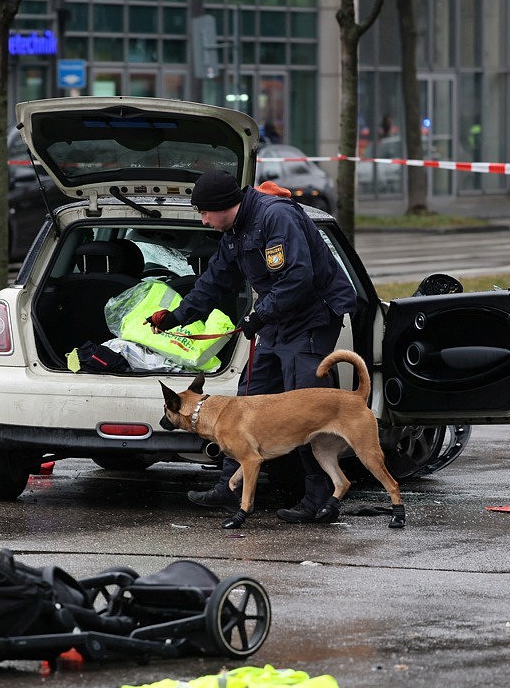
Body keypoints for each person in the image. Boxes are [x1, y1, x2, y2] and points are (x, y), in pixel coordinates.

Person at [146, 170, 357, 526]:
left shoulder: (277, 216)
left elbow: (298, 276)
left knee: (303, 406)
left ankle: (317, 498)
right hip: (277, 320)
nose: (203, 220)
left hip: (311, 318)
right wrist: (177, 317)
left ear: (223, 206)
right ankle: (229, 487)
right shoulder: (234, 231)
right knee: (249, 396)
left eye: (204, 213)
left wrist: (260, 314)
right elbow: (215, 280)